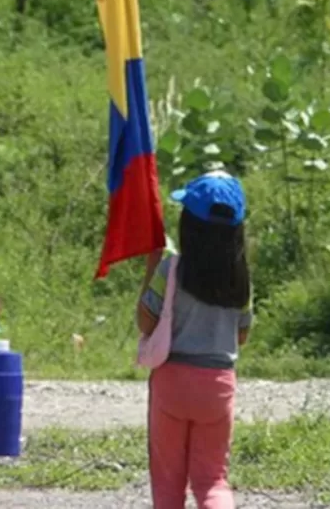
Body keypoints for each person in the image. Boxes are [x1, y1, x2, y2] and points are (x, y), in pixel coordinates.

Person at [137, 171, 253, 509]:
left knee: (168, 483)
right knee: (212, 480)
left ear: (189, 226)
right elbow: (241, 335)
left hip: (172, 382)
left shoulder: (171, 269)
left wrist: (151, 267)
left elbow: (145, 323)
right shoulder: (241, 280)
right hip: (217, 386)